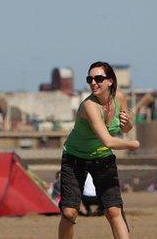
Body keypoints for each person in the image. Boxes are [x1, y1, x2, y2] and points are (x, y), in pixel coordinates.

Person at [58, 61, 139, 239]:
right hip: (74, 158)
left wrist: (130, 123)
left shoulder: (120, 97)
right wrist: (131, 144)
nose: (93, 82)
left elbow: (125, 128)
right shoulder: (89, 106)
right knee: (69, 212)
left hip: (102, 158)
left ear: (110, 81)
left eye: (99, 78)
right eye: (90, 79)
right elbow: (107, 140)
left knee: (113, 210)